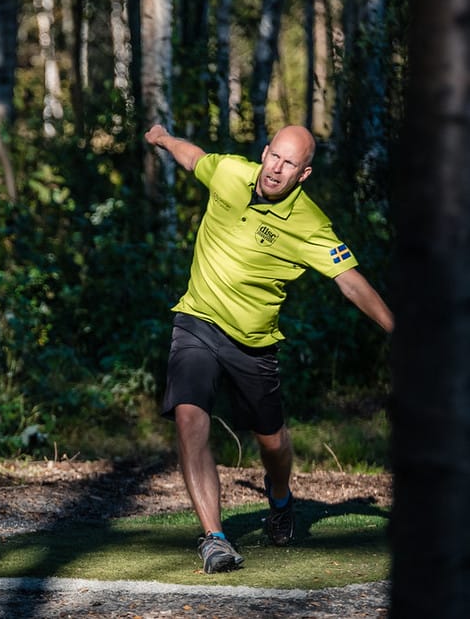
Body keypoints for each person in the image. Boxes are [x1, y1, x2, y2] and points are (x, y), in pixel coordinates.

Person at [143, 124, 394, 574]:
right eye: (274, 157)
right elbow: (193, 156)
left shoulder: (310, 223)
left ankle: (280, 496)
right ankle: (214, 538)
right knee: (188, 414)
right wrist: (163, 139)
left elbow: (350, 281)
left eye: (289, 164)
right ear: (264, 153)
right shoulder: (230, 174)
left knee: (272, 442)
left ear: (304, 174)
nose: (276, 169)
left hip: (253, 344)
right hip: (197, 320)